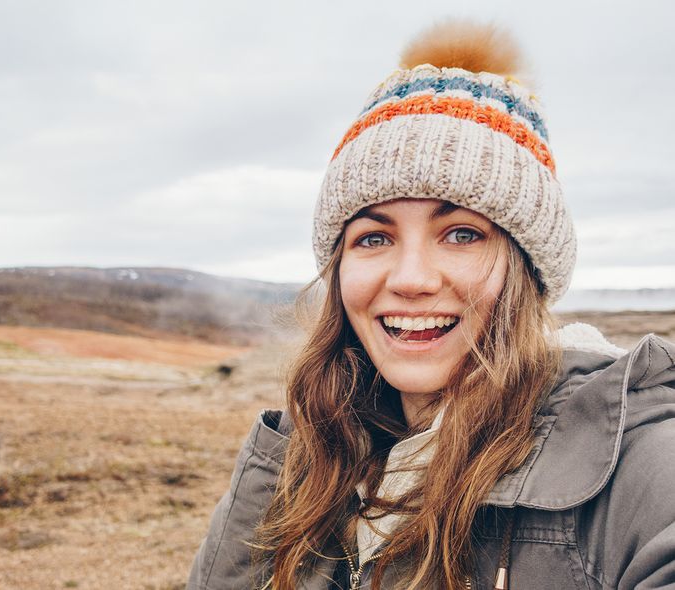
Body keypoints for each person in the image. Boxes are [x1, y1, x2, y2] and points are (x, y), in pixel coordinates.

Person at [186, 19, 675, 590]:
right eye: (373, 238)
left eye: (462, 234)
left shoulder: (643, 467)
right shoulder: (311, 452)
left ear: (528, 267)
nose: (411, 279)